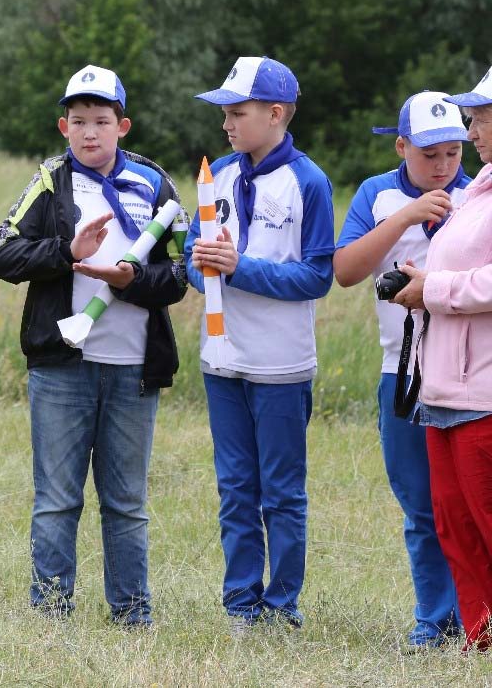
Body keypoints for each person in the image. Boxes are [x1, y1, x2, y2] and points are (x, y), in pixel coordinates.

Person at [0, 65, 186, 626]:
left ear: (122, 125)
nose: (90, 132)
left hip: (133, 367)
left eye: (102, 120)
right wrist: (64, 250)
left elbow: (179, 273)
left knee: (127, 503)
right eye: (79, 122)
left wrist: (132, 282)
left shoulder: (155, 184)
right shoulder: (49, 182)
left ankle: (131, 613)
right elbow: (4, 256)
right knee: (57, 499)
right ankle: (50, 611)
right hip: (62, 367)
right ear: (63, 126)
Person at [186, 56, 334, 630]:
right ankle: (241, 604)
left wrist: (239, 267)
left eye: (237, 112)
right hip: (221, 360)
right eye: (224, 113)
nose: (226, 123)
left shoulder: (310, 182)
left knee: (282, 494)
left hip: (281, 364)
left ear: (275, 114)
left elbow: (317, 276)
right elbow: (192, 262)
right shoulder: (217, 174)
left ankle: (282, 605)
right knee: (235, 489)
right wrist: (201, 266)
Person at [332, 90, 468, 650]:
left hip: (467, 373)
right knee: (419, 504)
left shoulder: (478, 194)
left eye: (453, 154)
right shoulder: (376, 193)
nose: (441, 168)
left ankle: (474, 617)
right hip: (402, 369)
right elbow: (344, 270)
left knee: (467, 503)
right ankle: (434, 620)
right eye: (429, 155)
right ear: (402, 145)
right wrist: (408, 216)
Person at [390, 67, 492, 651]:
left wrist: (430, 290)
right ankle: (481, 640)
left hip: (483, 393)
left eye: (481, 117)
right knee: (456, 527)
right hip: (444, 389)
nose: (473, 130)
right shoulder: (478, 189)